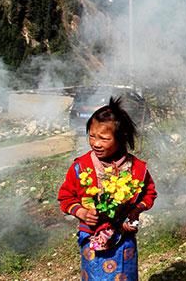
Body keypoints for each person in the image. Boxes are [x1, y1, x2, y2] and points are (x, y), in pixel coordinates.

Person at [58, 97, 157, 280]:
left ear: (121, 139)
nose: (96, 143)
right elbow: (65, 197)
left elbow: (150, 193)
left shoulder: (136, 169)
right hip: (92, 239)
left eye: (104, 138)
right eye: (92, 136)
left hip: (124, 240)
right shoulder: (81, 167)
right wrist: (80, 212)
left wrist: (136, 210)